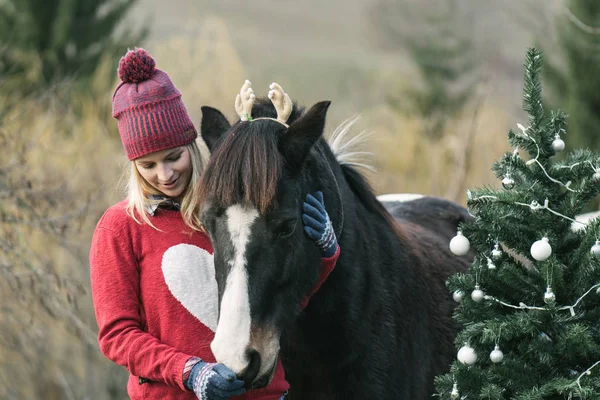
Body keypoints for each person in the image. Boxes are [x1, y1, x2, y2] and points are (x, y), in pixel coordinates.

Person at [89, 48, 340, 400]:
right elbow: (117, 335)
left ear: (192, 146)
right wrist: (190, 372)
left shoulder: (233, 212)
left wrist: (326, 254)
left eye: (173, 156)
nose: (164, 174)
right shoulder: (121, 227)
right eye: (148, 164)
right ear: (134, 167)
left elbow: (281, 298)